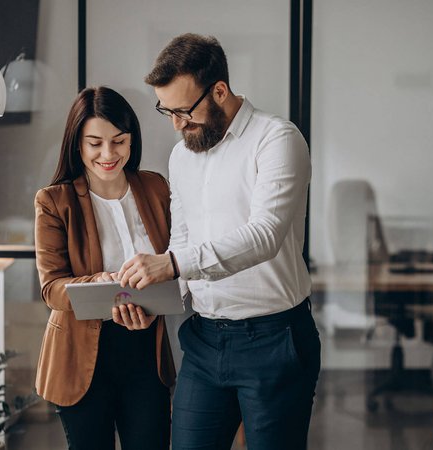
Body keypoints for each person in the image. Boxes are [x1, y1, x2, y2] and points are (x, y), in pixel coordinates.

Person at [117, 34, 321, 450]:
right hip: (205, 340)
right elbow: (184, 236)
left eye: (183, 111)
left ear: (220, 91)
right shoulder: (183, 155)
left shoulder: (277, 140)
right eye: (166, 111)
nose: (176, 124)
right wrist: (152, 297)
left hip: (274, 338)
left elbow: (264, 235)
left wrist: (172, 264)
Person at [34, 86, 175, 450]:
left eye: (119, 141)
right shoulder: (54, 201)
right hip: (81, 359)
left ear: (132, 140)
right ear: (76, 144)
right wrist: (97, 281)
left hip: (146, 352)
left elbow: (178, 261)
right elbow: (51, 289)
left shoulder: (156, 187)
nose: (108, 154)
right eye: (94, 143)